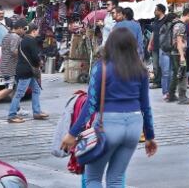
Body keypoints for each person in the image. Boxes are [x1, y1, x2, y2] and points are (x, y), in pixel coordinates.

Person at [61, 27, 158, 187]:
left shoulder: (101, 67)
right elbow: (146, 107)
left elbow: (91, 104)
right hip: (134, 126)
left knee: (93, 179)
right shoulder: (140, 70)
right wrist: (149, 136)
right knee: (116, 179)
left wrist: (73, 133)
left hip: (108, 125)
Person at [6, 21, 47, 123]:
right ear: (33, 31)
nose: (38, 32)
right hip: (27, 71)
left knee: (36, 90)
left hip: (24, 70)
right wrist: (40, 62)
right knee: (19, 93)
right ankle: (12, 115)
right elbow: (34, 56)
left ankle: (37, 112)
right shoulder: (31, 41)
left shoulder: (23, 40)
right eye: (37, 30)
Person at [169, 7, 189, 104]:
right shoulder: (181, 26)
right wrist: (182, 56)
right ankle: (182, 97)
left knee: (176, 73)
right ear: (188, 15)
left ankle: (171, 95)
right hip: (179, 53)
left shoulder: (175, 22)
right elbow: (179, 41)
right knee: (182, 75)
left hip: (174, 52)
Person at [147, 4, 167, 89]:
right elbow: (153, 32)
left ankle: (162, 82)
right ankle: (157, 82)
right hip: (155, 46)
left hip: (163, 46)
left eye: (156, 10)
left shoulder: (166, 20)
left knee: (162, 65)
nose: (154, 11)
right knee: (155, 65)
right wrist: (149, 44)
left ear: (160, 11)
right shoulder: (155, 20)